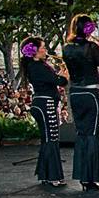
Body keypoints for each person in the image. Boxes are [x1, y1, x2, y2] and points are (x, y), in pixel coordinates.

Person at [62, 14, 99, 191]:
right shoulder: (91, 47)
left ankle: (83, 176)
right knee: (92, 133)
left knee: (82, 133)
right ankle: (91, 177)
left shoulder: (66, 48)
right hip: (90, 92)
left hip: (75, 92)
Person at [21, 37, 69, 187]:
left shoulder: (39, 65)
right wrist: (64, 75)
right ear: (35, 51)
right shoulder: (37, 67)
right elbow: (59, 81)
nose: (46, 50)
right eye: (43, 47)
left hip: (44, 103)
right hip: (44, 104)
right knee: (51, 138)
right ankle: (52, 175)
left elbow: (54, 79)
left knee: (49, 139)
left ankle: (46, 174)